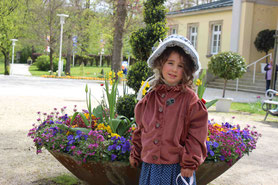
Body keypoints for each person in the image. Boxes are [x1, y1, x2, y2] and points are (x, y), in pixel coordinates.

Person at [129, 35, 208, 185]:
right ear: (160, 64)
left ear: (187, 70)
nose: (174, 69)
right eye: (170, 63)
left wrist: (190, 162)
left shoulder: (190, 100)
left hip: (176, 167)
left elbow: (197, 134)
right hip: (150, 167)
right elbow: (142, 128)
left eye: (180, 66)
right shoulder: (150, 97)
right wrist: (136, 152)